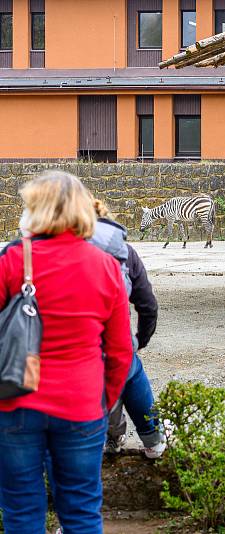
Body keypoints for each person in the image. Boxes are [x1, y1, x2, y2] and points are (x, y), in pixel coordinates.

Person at [0, 171, 133, 534]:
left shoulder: (11, 261)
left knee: (22, 511)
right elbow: (122, 350)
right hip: (81, 405)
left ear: (35, 210)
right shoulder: (105, 266)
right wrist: (103, 402)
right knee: (81, 511)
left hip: (16, 404)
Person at [89, 199, 165, 459]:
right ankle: (153, 438)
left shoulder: (63, 251)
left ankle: (112, 438)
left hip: (78, 342)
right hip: (115, 338)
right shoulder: (124, 251)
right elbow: (148, 305)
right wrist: (140, 340)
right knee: (129, 370)